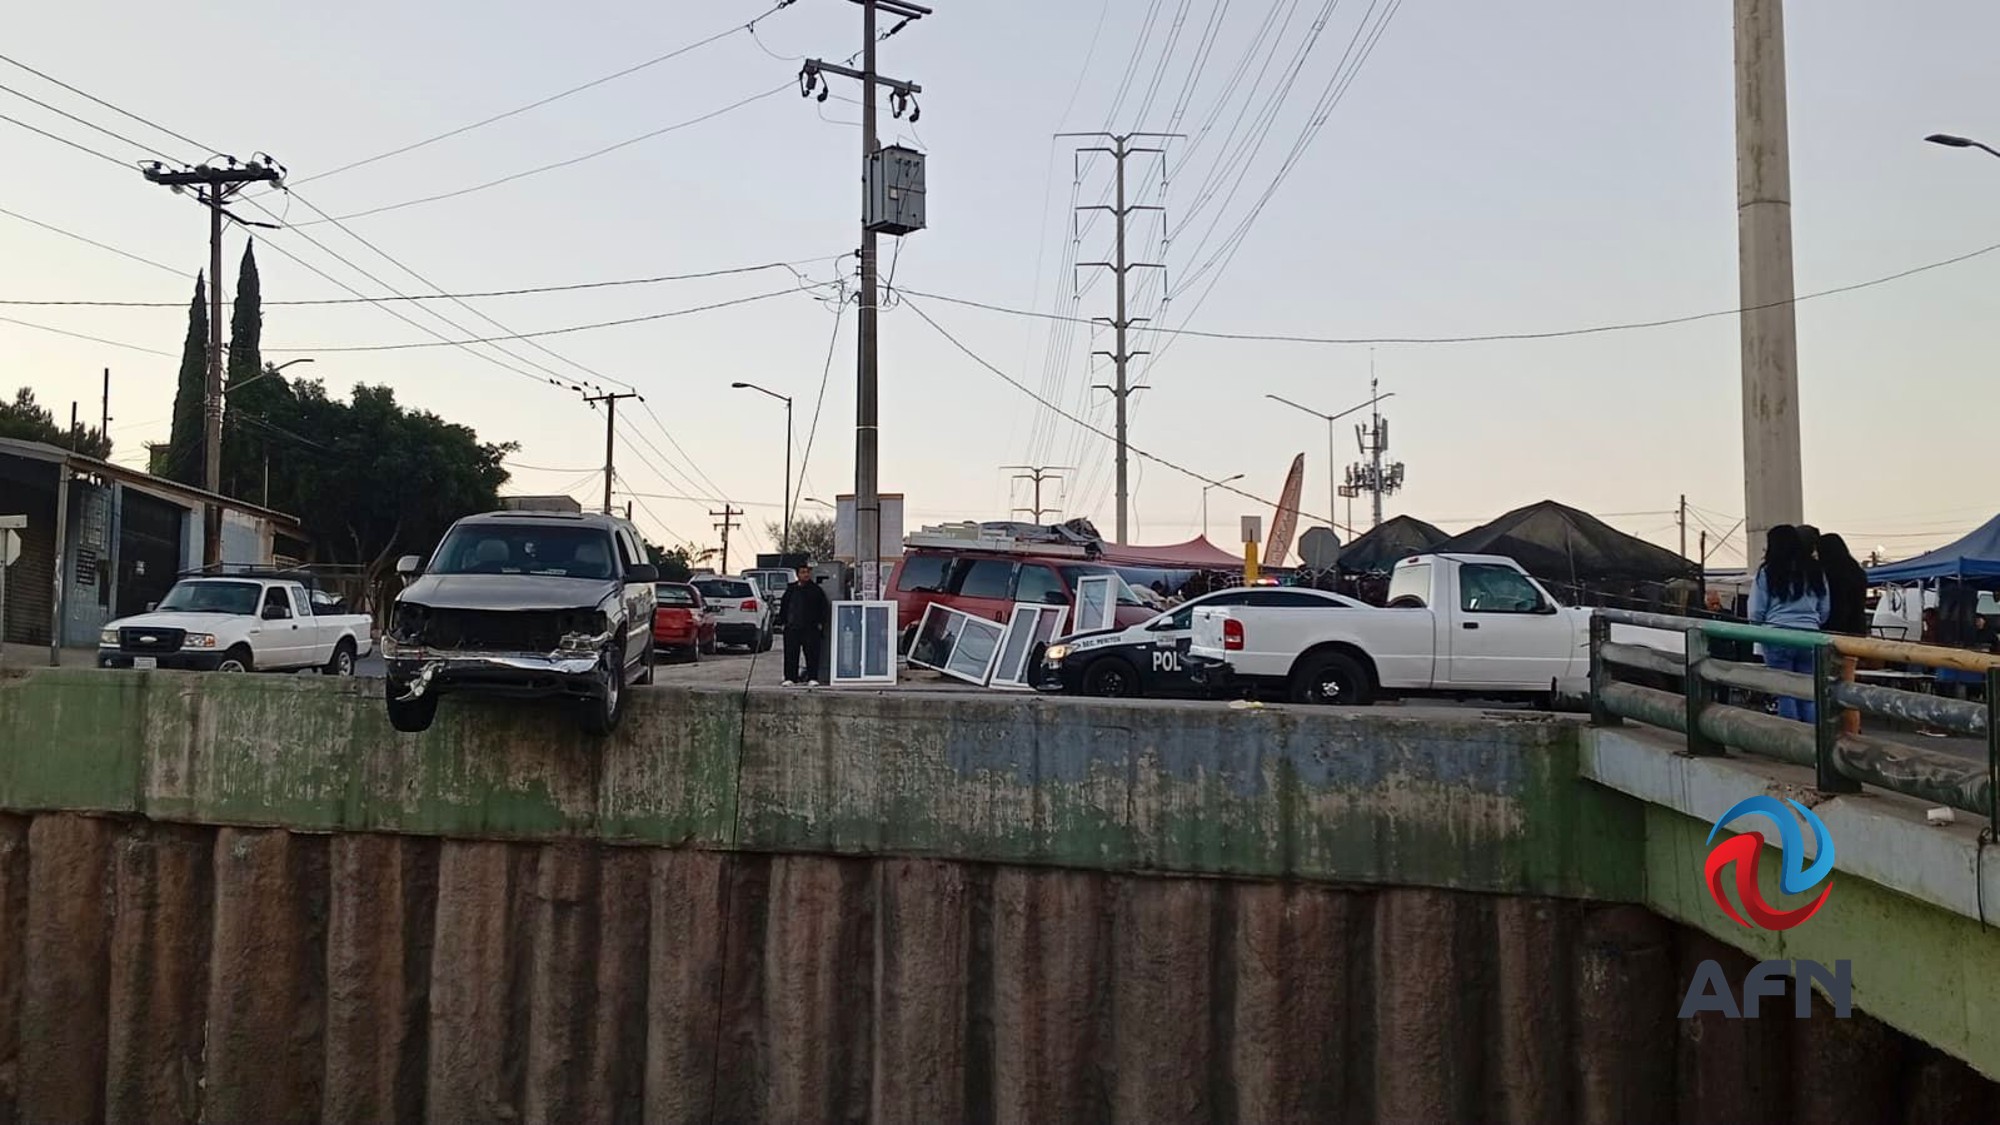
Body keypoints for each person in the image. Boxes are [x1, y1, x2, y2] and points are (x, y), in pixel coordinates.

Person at [1749, 524, 1829, 723]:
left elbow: (1756, 610)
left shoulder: (1768, 571)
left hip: (1777, 634)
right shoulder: (1815, 570)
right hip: (1810, 636)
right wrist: (1814, 621)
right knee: (1808, 693)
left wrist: (1758, 627)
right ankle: (1812, 740)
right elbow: (1825, 607)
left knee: (1785, 691)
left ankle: (1791, 740)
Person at [779, 565, 830, 685]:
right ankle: (790, 678)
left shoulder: (816, 590)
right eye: (803, 572)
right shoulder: (791, 590)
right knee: (791, 654)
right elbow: (784, 606)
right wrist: (783, 622)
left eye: (807, 572)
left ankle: (812, 677)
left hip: (810, 628)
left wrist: (820, 623)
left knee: (812, 654)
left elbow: (823, 608)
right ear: (797, 574)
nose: (805, 575)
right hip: (792, 627)